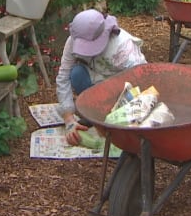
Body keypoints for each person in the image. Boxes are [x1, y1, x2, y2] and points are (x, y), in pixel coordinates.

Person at [55, 9, 147, 145]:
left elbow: (140, 85)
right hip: (96, 81)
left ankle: (107, 119)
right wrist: (68, 118)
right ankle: (95, 113)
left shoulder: (123, 48)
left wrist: (116, 118)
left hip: (121, 89)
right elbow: (64, 76)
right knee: (77, 74)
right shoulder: (73, 40)